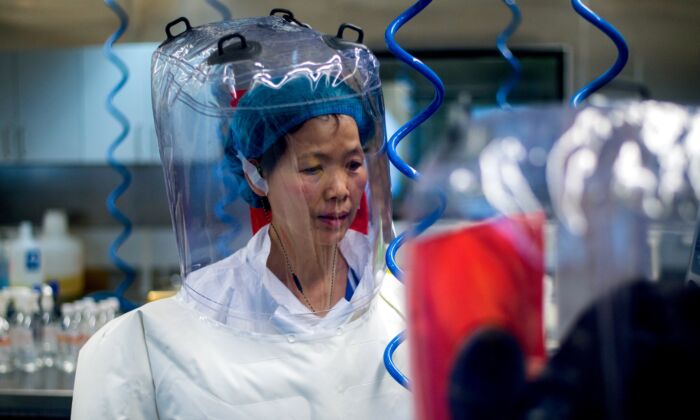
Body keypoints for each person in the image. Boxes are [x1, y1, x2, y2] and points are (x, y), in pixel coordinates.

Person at [72, 13, 411, 419]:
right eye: (313, 168)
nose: (340, 189)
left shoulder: (400, 306)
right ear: (256, 174)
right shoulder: (192, 321)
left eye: (353, 164)